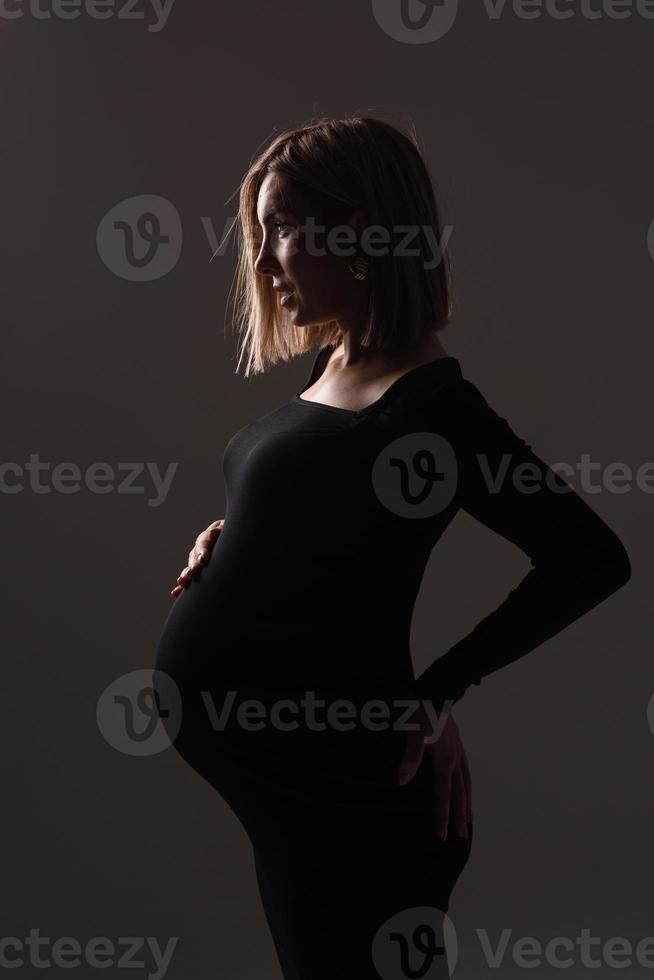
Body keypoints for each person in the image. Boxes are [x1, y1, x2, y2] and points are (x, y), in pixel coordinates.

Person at [153, 115, 631, 980]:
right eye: (260, 235)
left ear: (366, 232)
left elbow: (592, 558)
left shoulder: (434, 409)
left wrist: (434, 694)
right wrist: (238, 529)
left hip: (351, 802)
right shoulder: (334, 367)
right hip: (296, 792)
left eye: (283, 231)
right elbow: (337, 527)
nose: (262, 263)